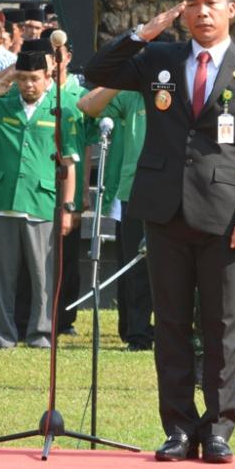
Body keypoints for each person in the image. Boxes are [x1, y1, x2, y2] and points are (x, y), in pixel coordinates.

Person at [85, 0, 235, 463]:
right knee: (168, 323)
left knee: (222, 325)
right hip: (164, 209)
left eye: (211, 2)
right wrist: (142, 33)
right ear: (181, 12)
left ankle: (217, 429)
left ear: (231, 9)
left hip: (225, 216)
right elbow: (98, 72)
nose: (202, 12)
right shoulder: (159, 57)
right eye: (191, 3)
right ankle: (177, 426)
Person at [0, 51, 78, 349]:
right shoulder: (2, 106)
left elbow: (69, 164)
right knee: (3, 275)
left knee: (42, 275)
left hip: (41, 201)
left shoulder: (62, 110)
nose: (29, 85)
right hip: (4, 199)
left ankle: (40, 335)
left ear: (47, 78)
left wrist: (68, 207)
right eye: (23, 79)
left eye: (35, 79)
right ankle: (3, 336)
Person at [78, 86, 154, 351]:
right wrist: (121, 76)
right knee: (134, 268)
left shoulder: (183, 89)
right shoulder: (131, 95)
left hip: (177, 189)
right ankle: (138, 334)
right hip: (133, 188)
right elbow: (87, 105)